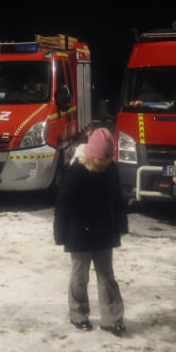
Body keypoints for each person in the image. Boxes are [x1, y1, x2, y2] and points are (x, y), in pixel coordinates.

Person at [53, 128, 129, 336]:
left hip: (105, 231)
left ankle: (112, 319)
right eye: (101, 162)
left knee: (107, 277)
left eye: (108, 161)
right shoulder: (76, 171)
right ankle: (78, 314)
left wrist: (121, 224)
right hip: (79, 233)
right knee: (80, 276)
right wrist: (60, 234)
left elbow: (117, 198)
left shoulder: (110, 168)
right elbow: (63, 205)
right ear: (91, 156)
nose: (105, 165)